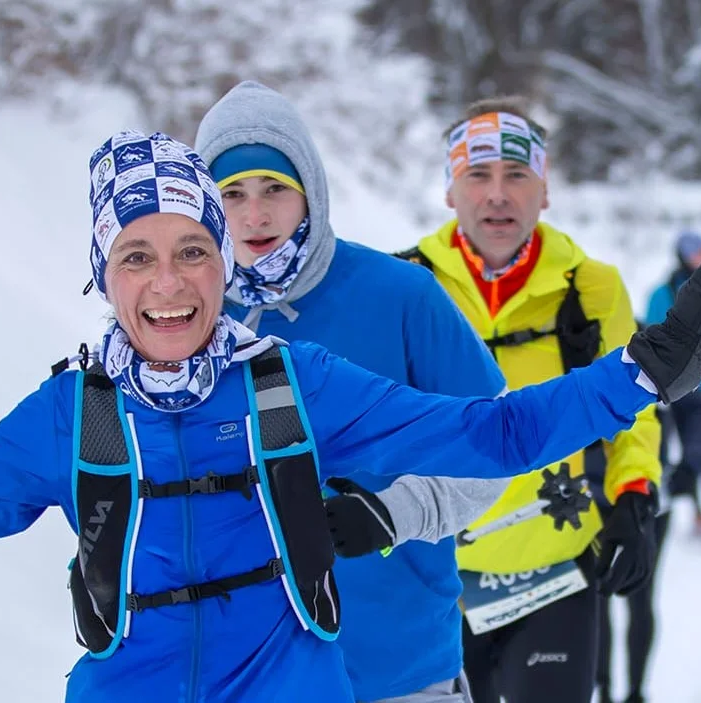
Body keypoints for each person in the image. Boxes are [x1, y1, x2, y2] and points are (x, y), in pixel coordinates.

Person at [0, 130, 701, 703]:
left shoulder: (291, 383)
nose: (170, 282)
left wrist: (643, 372)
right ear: (103, 272)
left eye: (192, 249)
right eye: (137, 256)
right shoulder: (67, 417)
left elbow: (491, 437)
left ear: (224, 264)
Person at [195, 80, 509, 703]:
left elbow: (496, 449)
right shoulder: (187, 322)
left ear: (310, 189)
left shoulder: (403, 297)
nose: (255, 215)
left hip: (401, 669)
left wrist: (395, 512)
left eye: (274, 189)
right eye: (231, 193)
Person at [390, 97, 663, 703]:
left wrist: (636, 495)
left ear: (544, 190)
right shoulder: (407, 286)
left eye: (517, 175)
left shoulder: (591, 288)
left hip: (557, 569)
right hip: (441, 581)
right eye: (477, 175)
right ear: (449, 191)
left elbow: (635, 409)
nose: (497, 194)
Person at [590, 322, 676, 703]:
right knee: (612, 598)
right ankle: (616, 691)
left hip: (640, 498)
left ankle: (630, 691)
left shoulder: (596, 367)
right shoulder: (661, 370)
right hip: (610, 500)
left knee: (619, 598)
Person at [646, 231, 701, 546]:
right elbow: (654, 336)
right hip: (680, 391)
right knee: (685, 455)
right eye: (693, 251)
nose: (700, 256)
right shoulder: (662, 293)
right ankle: (697, 511)